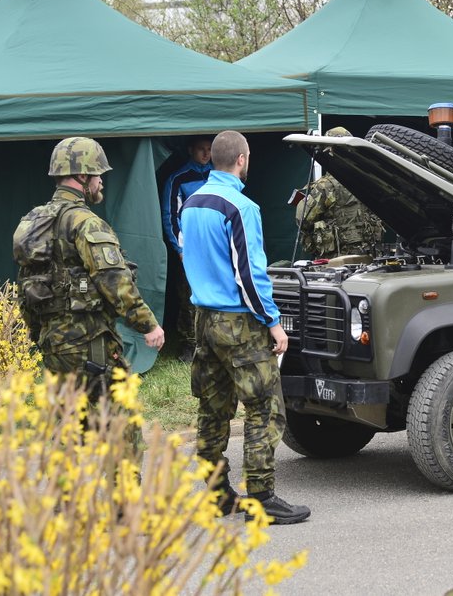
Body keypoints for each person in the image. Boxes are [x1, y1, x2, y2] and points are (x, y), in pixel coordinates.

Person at [180, 130, 309, 524]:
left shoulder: (191, 203)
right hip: (237, 321)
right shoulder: (241, 206)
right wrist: (272, 322)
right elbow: (250, 275)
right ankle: (261, 498)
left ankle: (217, 493)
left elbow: (189, 255)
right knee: (264, 407)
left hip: (202, 317)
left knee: (214, 407)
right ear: (242, 159)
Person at [12, 137, 164, 403]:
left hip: (53, 343)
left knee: (69, 424)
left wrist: (38, 332)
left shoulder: (34, 220)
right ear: (83, 175)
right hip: (89, 343)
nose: (101, 181)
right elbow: (114, 279)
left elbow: (27, 281)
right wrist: (148, 325)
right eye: (97, 175)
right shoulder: (86, 223)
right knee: (119, 427)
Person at [160, 136, 213, 362]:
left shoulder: (219, 177)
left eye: (210, 149)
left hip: (215, 248)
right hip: (190, 250)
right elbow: (170, 216)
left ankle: (212, 341)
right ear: (190, 150)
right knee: (188, 297)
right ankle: (188, 345)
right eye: (201, 149)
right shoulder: (178, 179)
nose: (206, 154)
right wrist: (179, 248)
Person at [296, 127, 383, 259]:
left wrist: (303, 201)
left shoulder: (325, 186)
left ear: (328, 151)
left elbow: (302, 220)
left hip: (337, 261)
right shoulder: (367, 181)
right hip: (369, 257)